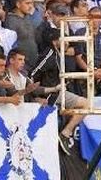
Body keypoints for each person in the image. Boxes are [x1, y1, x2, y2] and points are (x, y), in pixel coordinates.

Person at [29, 27, 88, 155]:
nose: (67, 42)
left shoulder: (57, 53)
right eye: (64, 40)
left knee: (84, 105)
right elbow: (31, 75)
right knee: (86, 104)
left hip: (58, 93)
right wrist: (35, 96)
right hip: (51, 94)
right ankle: (65, 134)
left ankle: (65, 133)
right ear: (55, 41)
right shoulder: (49, 55)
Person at [3, 0, 38, 69]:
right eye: (27, 3)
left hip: (33, 61)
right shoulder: (11, 21)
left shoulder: (28, 17)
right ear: (18, 4)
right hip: (20, 65)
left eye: (31, 3)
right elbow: (10, 44)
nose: (30, 6)